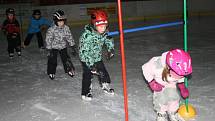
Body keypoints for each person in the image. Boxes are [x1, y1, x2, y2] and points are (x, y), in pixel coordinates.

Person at [142, 49, 192, 121]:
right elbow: (145, 68)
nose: (181, 77)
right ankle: (161, 115)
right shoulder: (156, 64)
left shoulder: (180, 69)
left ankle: (173, 113)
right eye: (179, 75)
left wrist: (182, 87)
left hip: (171, 84)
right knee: (160, 99)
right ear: (168, 68)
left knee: (174, 97)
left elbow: (181, 76)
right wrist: (152, 82)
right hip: (159, 84)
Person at [79, 10, 115, 101]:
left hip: (97, 57)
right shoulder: (87, 36)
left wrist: (110, 49)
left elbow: (108, 40)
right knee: (88, 75)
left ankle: (105, 84)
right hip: (86, 59)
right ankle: (86, 92)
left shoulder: (103, 32)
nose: (103, 28)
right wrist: (91, 65)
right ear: (94, 25)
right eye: (101, 26)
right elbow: (83, 51)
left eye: (105, 26)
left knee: (103, 72)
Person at [45, 10, 76, 80]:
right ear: (55, 21)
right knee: (52, 60)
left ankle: (69, 69)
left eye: (63, 21)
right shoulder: (51, 29)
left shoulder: (66, 28)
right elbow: (48, 39)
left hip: (63, 46)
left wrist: (72, 45)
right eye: (59, 22)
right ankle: (51, 72)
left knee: (66, 59)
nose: (61, 23)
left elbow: (69, 36)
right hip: (54, 47)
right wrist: (49, 48)